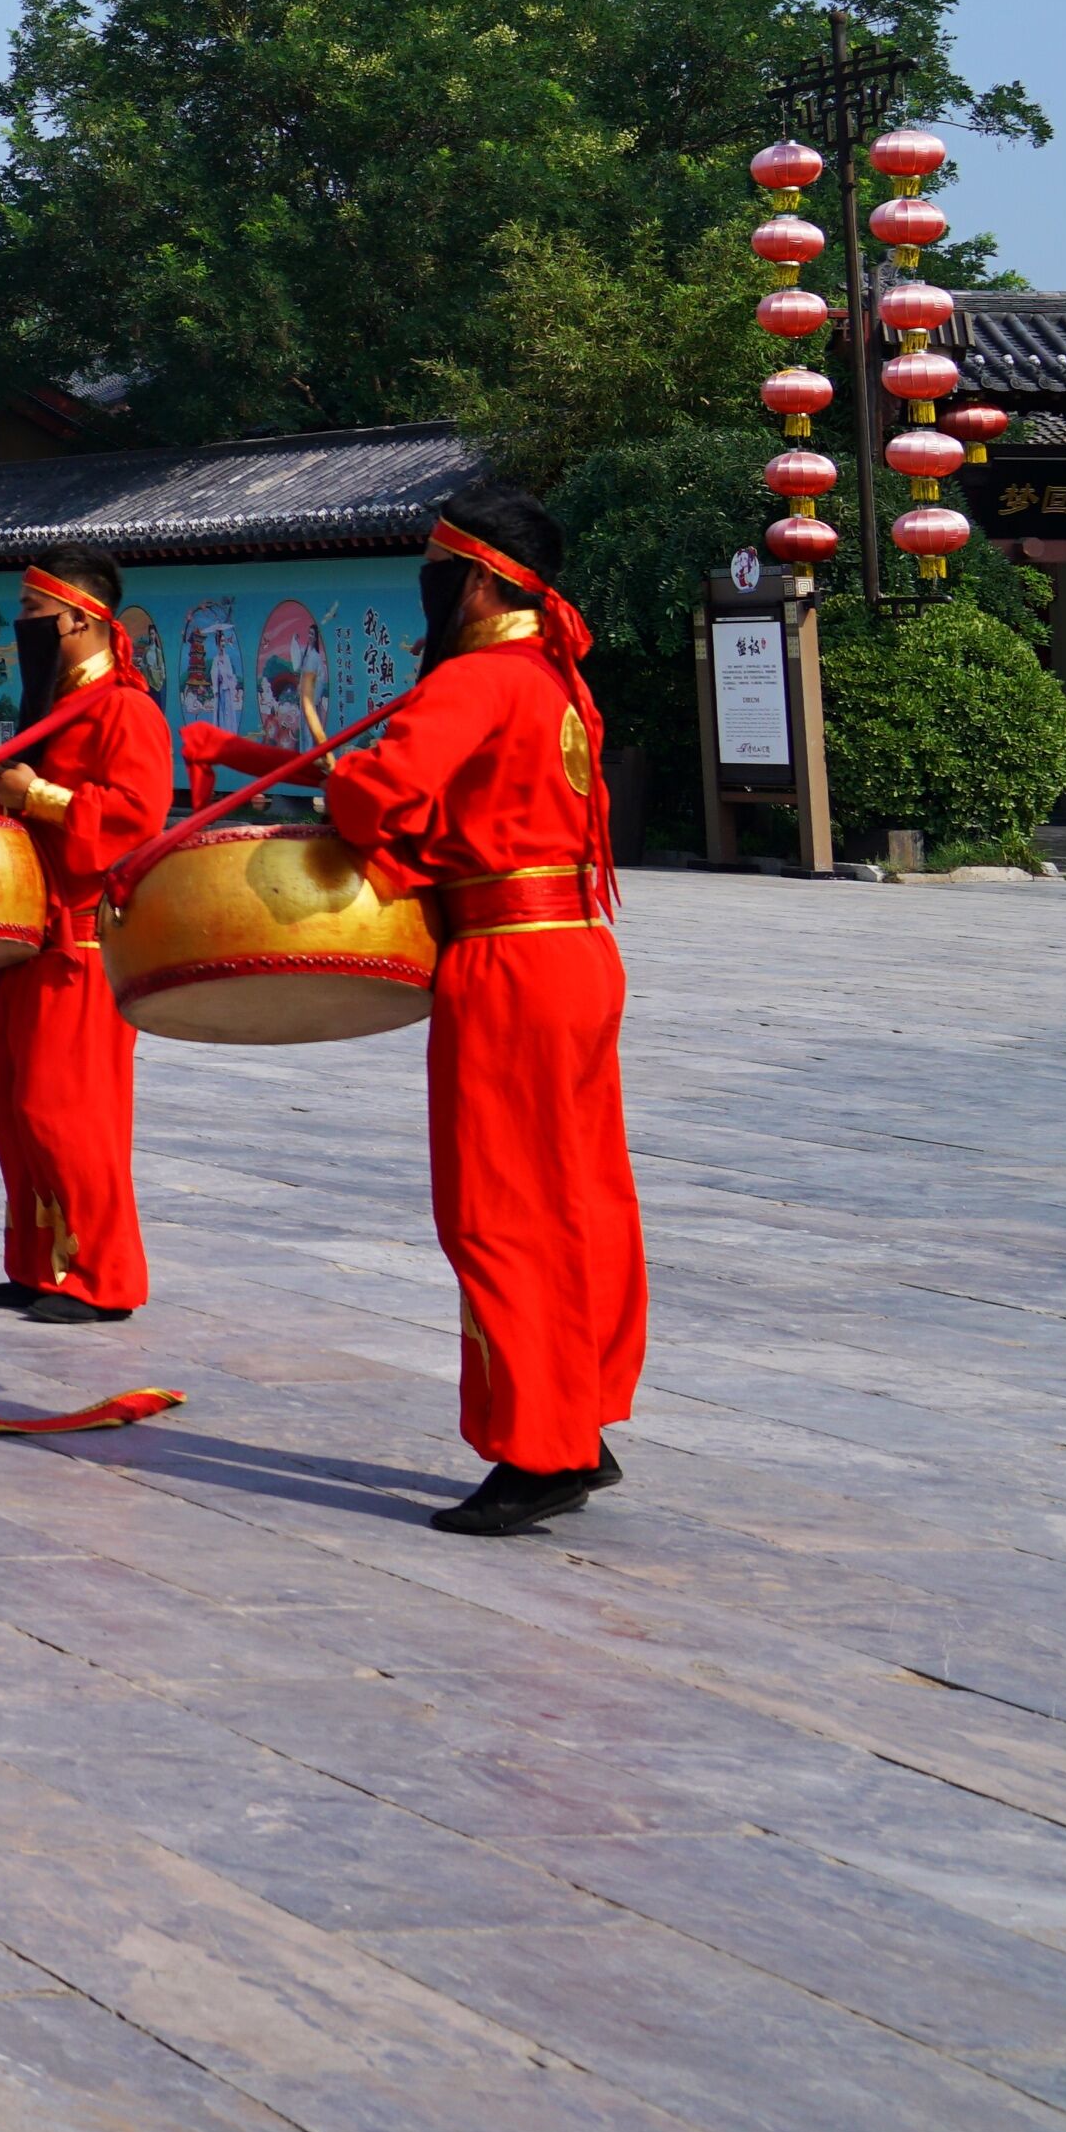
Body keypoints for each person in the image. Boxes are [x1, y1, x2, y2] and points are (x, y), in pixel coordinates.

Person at [323, 486, 647, 1538]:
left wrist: (344, 787)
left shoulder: (474, 677)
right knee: (579, 1193)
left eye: (431, 568)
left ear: (471, 580)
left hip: (505, 960)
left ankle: (536, 1447)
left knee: (498, 1204)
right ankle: (575, 1416)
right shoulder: (552, 675)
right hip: (576, 950)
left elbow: (388, 791)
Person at [0, 562, 170, 1322]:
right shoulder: (49, 704)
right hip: (25, 934)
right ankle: (38, 1263)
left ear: (79, 619)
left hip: (82, 940)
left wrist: (43, 797)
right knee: (8, 1099)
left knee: (68, 1109)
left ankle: (103, 1276)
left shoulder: (125, 710)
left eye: (33, 609)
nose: (21, 620)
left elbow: (136, 817)